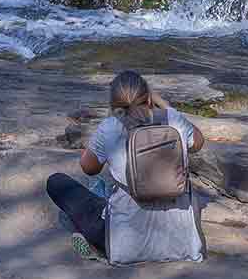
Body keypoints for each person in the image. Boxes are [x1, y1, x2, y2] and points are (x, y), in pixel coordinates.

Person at [45, 71, 207, 264]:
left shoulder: (110, 127)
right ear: (148, 98)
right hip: (182, 244)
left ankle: (98, 246)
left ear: (115, 105)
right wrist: (163, 104)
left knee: (57, 182)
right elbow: (198, 142)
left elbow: (88, 168)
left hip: (125, 245)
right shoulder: (172, 119)